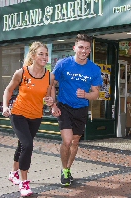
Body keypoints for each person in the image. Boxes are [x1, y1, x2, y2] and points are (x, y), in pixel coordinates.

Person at [2, 41, 54, 197]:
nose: (45, 57)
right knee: (28, 145)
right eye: (41, 54)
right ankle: (24, 183)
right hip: (18, 114)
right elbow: (8, 90)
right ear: (33, 55)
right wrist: (5, 107)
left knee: (22, 146)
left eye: (46, 54)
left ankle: (13, 173)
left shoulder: (49, 76)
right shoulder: (21, 73)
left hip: (36, 116)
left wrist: (51, 102)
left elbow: (50, 96)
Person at [50, 34, 103, 186]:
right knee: (67, 141)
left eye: (87, 48)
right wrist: (53, 104)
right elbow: (50, 84)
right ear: (74, 48)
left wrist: (86, 94)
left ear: (90, 50)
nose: (83, 51)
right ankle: (65, 170)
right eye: (81, 47)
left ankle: (66, 170)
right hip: (64, 106)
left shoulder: (94, 69)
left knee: (75, 141)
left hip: (81, 108)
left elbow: (95, 94)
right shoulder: (63, 64)